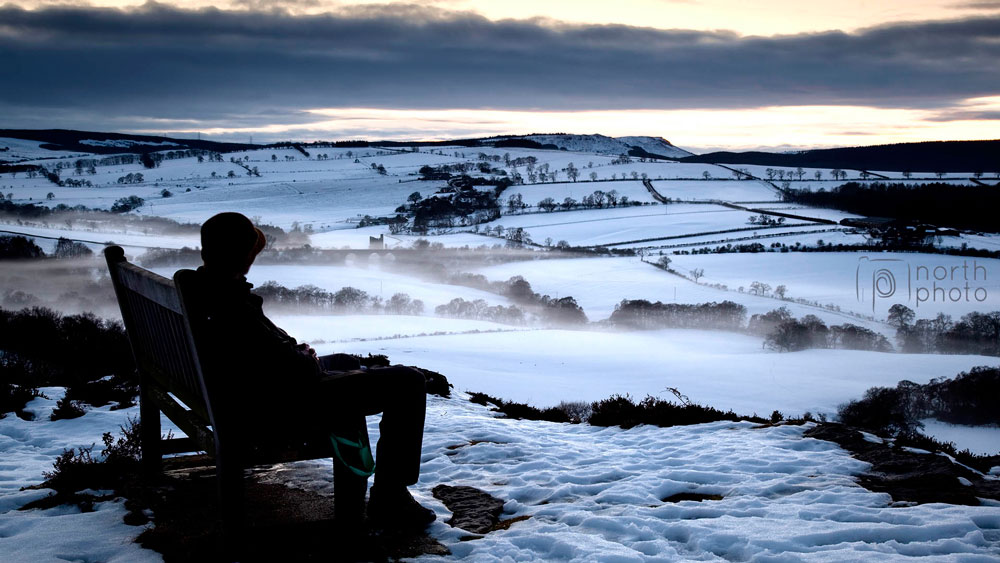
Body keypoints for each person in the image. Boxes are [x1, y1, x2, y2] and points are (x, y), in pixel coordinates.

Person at [192, 211, 435, 530]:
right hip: (277, 402)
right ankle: (389, 495)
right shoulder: (228, 301)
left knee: (347, 362)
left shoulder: (206, 287)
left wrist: (295, 353)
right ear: (240, 254)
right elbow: (279, 363)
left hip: (250, 390)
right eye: (250, 251)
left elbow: (258, 351)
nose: (253, 258)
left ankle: (382, 482)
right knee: (409, 382)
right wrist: (303, 357)